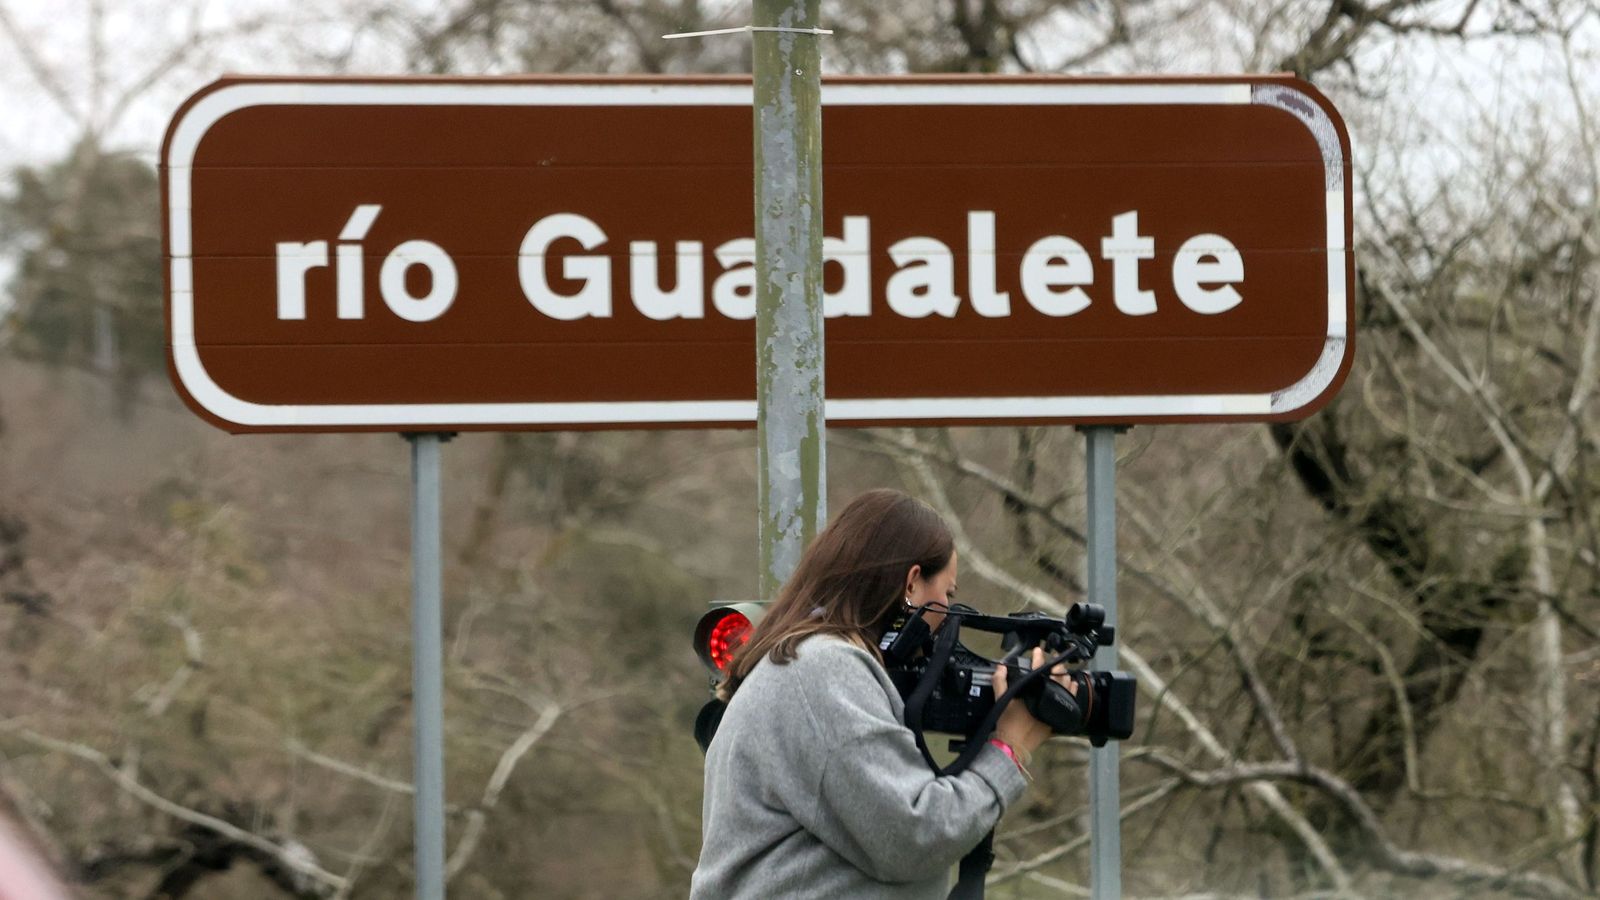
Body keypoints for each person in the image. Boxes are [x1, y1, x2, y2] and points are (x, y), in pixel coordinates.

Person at [691, 488, 1076, 899]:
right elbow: (915, 836)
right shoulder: (822, 669)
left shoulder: (798, 665)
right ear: (911, 583)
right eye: (947, 594)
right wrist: (1010, 749)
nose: (947, 612)